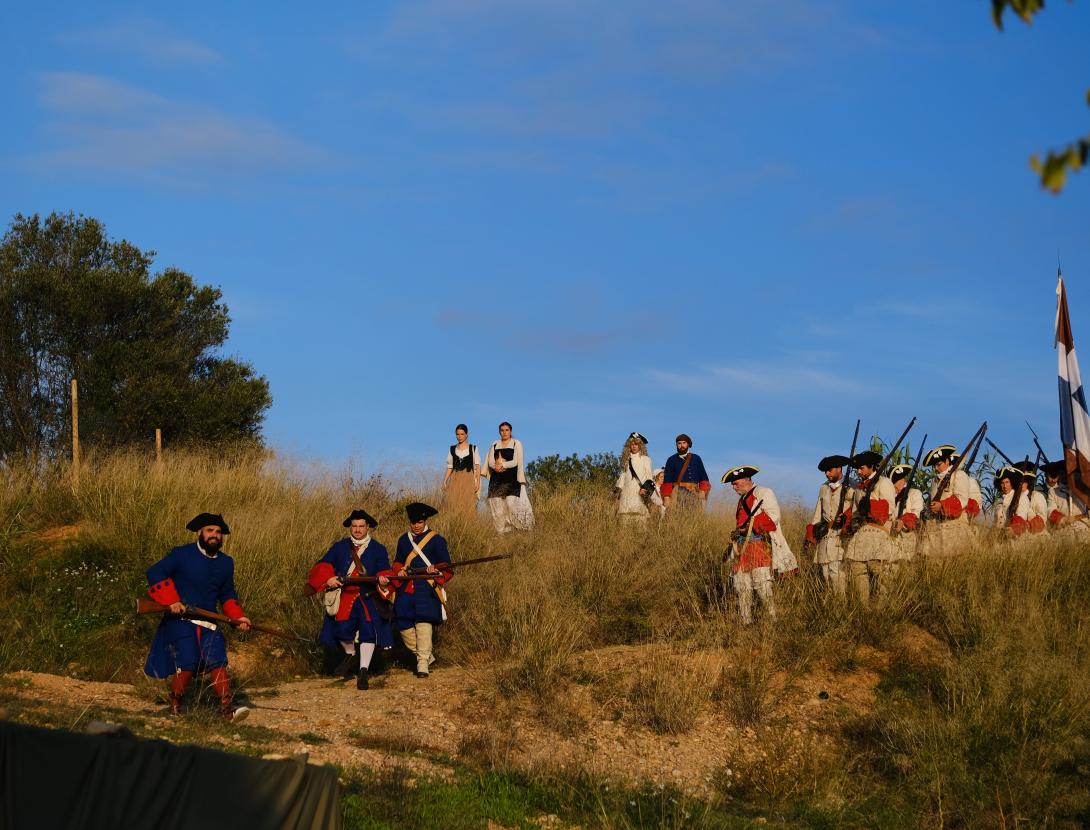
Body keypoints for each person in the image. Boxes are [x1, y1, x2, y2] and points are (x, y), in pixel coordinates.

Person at [144, 513, 252, 721]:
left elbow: (228, 594)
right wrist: (171, 600)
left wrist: (239, 617)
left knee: (218, 660)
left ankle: (227, 711)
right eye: (210, 530)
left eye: (218, 532)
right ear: (199, 533)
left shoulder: (226, 563)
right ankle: (175, 708)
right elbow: (155, 572)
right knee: (188, 661)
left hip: (210, 622)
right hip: (181, 621)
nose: (215, 535)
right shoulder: (181, 554)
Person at [306, 509, 394, 690]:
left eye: (361, 526)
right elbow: (323, 565)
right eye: (354, 526)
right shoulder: (339, 547)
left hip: (368, 597)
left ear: (368, 527)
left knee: (369, 632)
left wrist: (384, 579)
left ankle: (363, 672)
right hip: (345, 595)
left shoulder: (378, 549)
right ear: (350, 527)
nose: (357, 530)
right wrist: (328, 578)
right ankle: (351, 653)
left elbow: (385, 570)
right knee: (342, 630)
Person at [721, 465, 798, 625]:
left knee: (762, 585)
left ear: (746, 480)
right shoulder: (741, 501)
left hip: (760, 545)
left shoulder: (764, 492)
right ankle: (746, 622)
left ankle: (773, 620)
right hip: (742, 548)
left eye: (735, 483)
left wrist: (749, 526)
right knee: (741, 586)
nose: (733, 487)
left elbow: (773, 517)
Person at [388, 502, 452, 678]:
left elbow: (447, 568)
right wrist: (399, 570)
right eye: (413, 522)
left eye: (419, 522)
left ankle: (422, 664)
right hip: (406, 589)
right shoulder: (403, 540)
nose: (416, 525)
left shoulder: (437, 540)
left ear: (425, 521)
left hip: (427, 587)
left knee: (424, 623)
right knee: (403, 624)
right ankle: (426, 655)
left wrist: (436, 571)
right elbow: (398, 561)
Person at [842, 451, 896, 601]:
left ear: (871, 467)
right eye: (857, 469)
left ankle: (881, 610)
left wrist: (871, 506)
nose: (859, 472)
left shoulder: (884, 482)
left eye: (862, 468)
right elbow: (855, 512)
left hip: (879, 532)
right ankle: (863, 608)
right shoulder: (859, 488)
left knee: (879, 573)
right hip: (862, 534)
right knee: (858, 570)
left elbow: (889, 509)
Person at [805, 455, 851, 595]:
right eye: (825, 471)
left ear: (839, 469)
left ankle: (841, 606)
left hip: (841, 534)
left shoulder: (852, 485)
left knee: (837, 573)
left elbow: (855, 509)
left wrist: (846, 519)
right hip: (825, 534)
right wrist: (810, 536)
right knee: (825, 574)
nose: (827, 473)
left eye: (830, 470)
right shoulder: (823, 488)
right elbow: (818, 512)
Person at [919, 444, 973, 557]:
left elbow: (962, 500)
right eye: (934, 466)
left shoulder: (958, 475)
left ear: (947, 461)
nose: (936, 468)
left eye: (939, 464)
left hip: (955, 529)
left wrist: (942, 506)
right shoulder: (934, 481)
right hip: (938, 530)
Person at [483, 422, 534, 533]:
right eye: (502, 430)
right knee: (497, 507)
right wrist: (495, 467)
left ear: (510, 431)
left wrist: (502, 465)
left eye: (507, 430)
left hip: (512, 479)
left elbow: (516, 461)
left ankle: (519, 529)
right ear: (499, 432)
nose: (504, 432)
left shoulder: (516, 443)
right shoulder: (494, 444)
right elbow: (490, 461)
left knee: (512, 504)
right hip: (496, 480)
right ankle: (501, 533)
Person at [1043, 459, 1090, 540]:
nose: (1065, 475)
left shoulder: (1083, 488)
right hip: (1064, 530)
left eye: (1067, 473)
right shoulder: (1053, 491)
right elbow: (1050, 510)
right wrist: (1064, 520)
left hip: (1083, 527)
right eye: (1062, 473)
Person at [660, 434, 710, 510]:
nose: (682, 445)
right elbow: (667, 480)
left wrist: (703, 491)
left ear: (688, 444)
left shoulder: (696, 458)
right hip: (678, 492)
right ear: (676, 445)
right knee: (678, 516)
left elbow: (703, 477)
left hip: (695, 492)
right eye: (679, 443)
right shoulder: (671, 459)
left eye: (684, 443)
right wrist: (666, 497)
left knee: (695, 517)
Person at [615, 432, 656, 523]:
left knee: (640, 524)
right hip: (626, 495)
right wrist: (617, 492)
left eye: (636, 444)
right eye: (632, 444)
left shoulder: (646, 459)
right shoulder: (626, 460)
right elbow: (623, 477)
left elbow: (649, 477)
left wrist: (645, 489)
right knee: (624, 524)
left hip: (639, 494)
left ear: (641, 446)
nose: (634, 446)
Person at [442, 424, 481, 516]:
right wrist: (445, 481)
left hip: (469, 478)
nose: (459, 436)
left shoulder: (473, 448)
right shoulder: (452, 449)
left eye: (462, 434)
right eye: (458, 434)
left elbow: (478, 465)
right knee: (454, 503)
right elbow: (450, 467)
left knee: (469, 504)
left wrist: (478, 482)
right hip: (455, 478)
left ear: (466, 435)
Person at [889, 464, 924, 565]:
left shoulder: (914, 493)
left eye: (895, 482)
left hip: (909, 540)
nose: (894, 485)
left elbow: (916, 514)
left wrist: (903, 521)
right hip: (893, 542)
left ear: (902, 480)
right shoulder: (891, 498)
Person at [991, 466, 1030, 539]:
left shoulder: (1022, 497)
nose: (1005, 486)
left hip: (1016, 539)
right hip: (999, 539)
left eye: (1007, 482)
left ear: (1012, 482)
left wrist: (1011, 530)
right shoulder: (999, 501)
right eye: (1002, 483)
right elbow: (995, 522)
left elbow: (1021, 519)